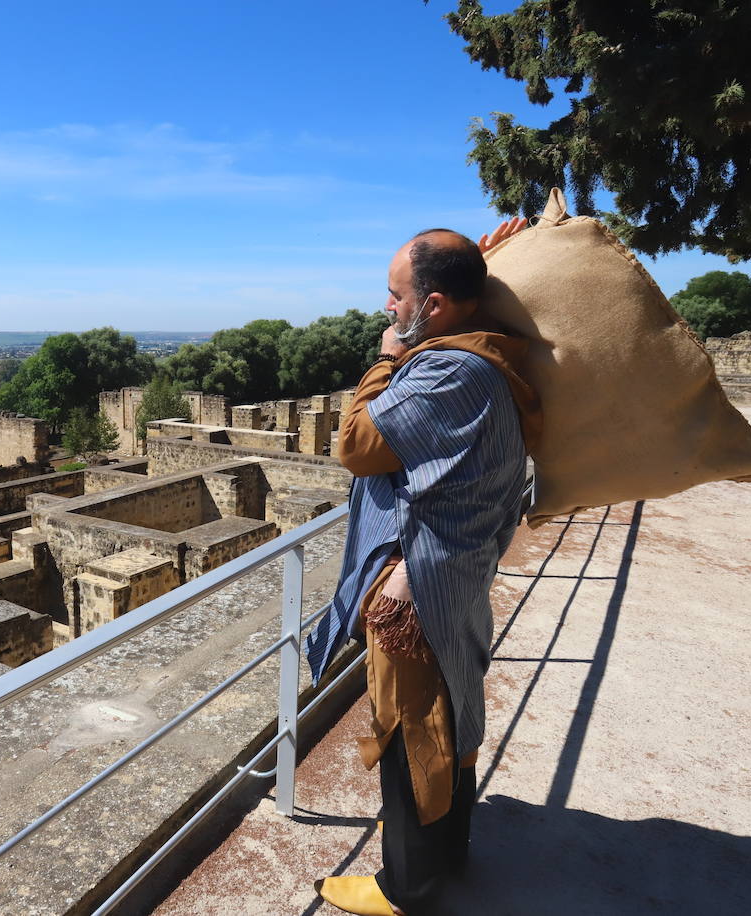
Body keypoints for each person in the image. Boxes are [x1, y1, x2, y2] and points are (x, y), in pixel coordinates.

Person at [309, 220, 541, 915]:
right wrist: (484, 257)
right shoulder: (480, 354)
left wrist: (383, 360)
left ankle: (405, 886)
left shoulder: (450, 370)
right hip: (455, 575)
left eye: (395, 295)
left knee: (411, 726)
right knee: (451, 715)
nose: (389, 308)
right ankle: (451, 850)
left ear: (435, 305)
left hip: (417, 586)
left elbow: (355, 444)